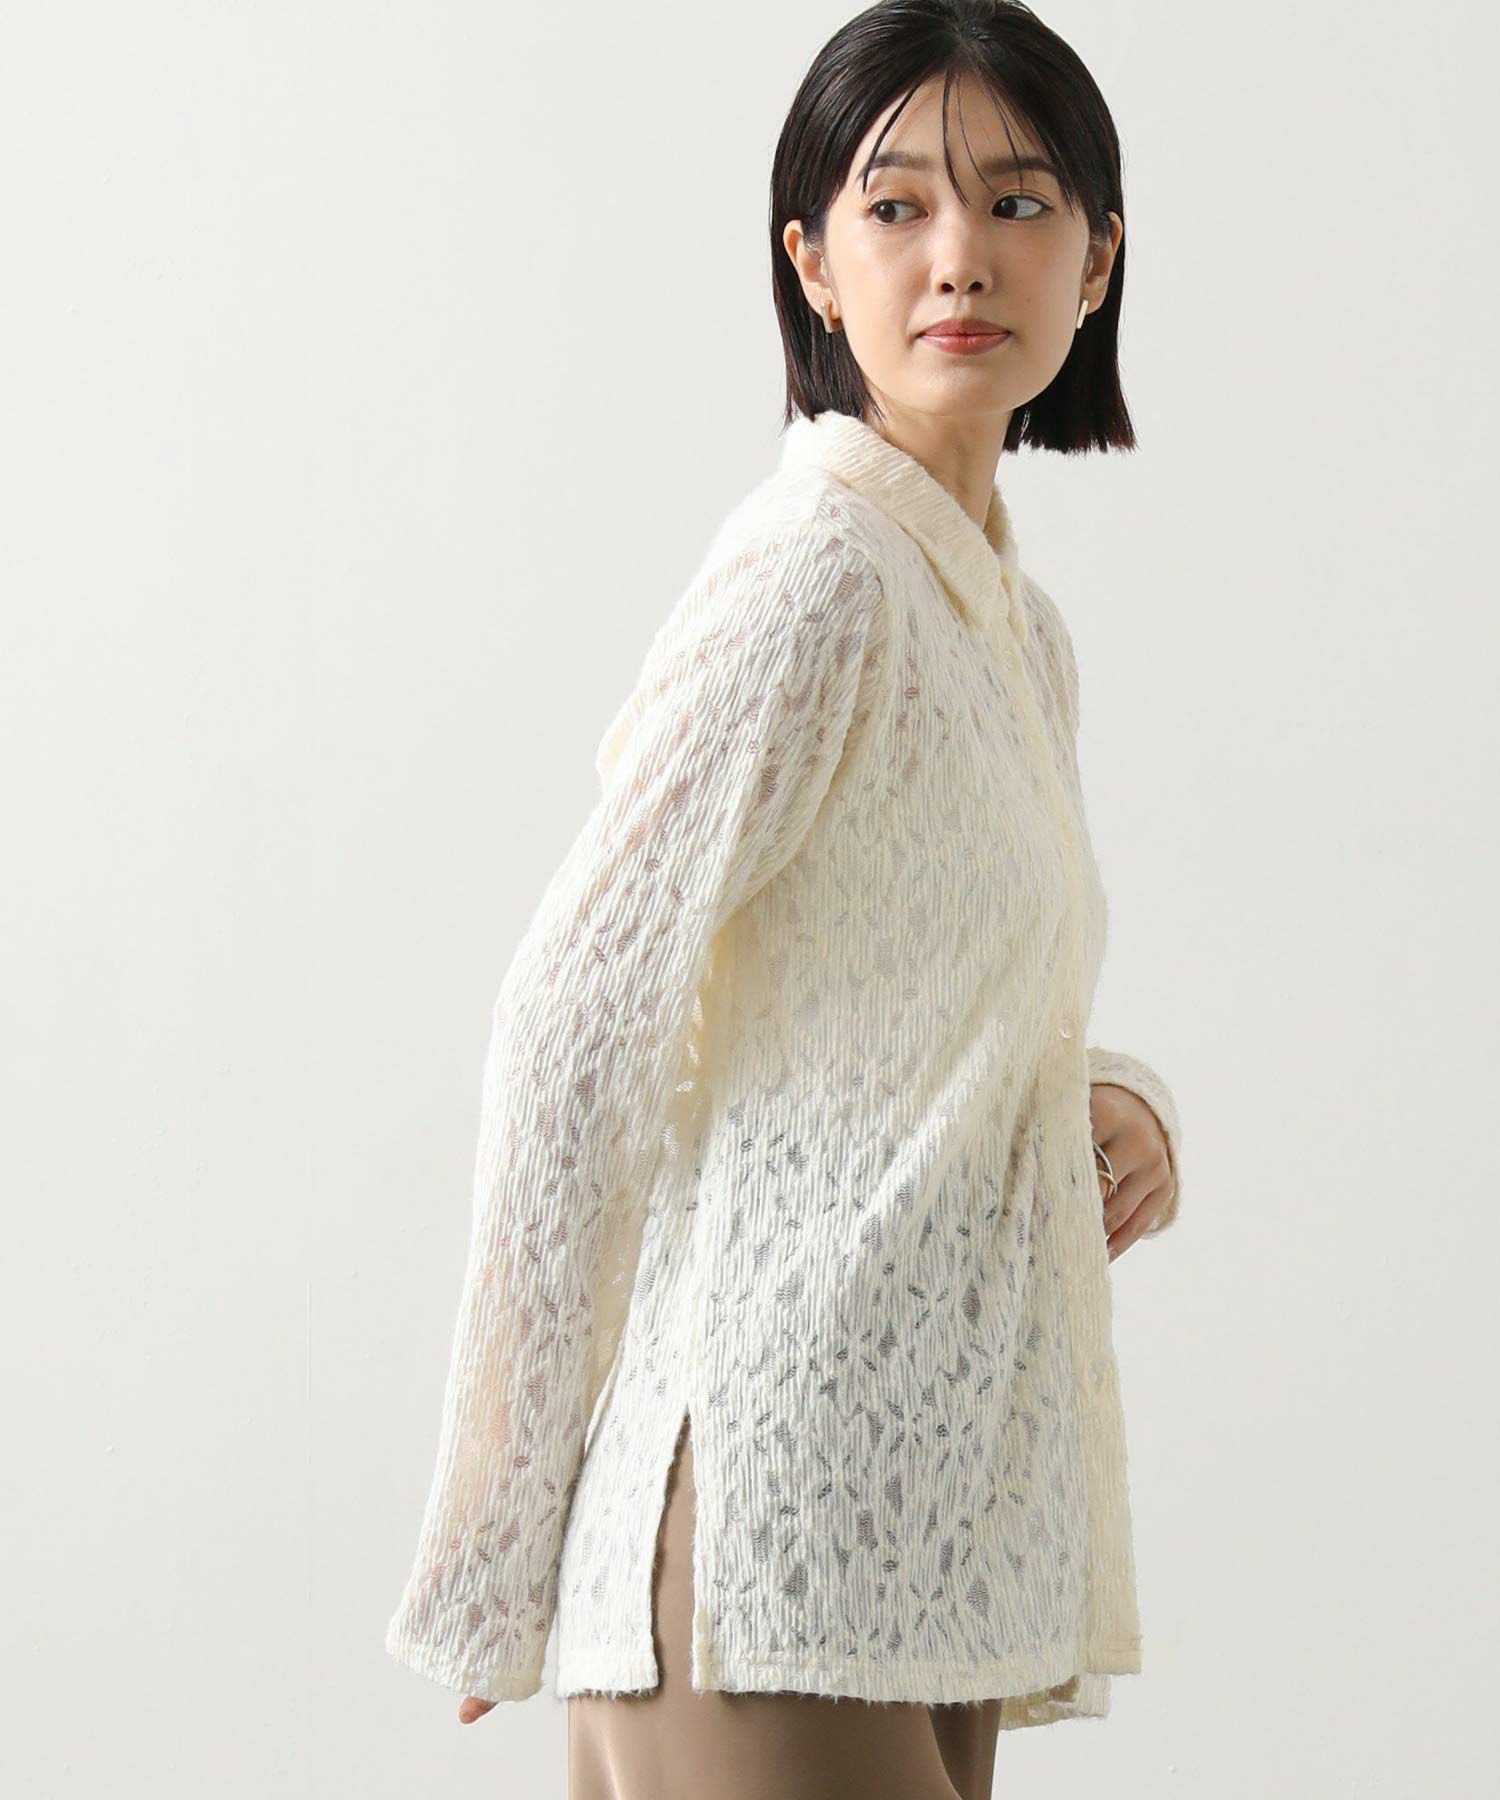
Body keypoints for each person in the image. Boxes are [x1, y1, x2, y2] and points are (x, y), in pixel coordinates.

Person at [385, 3, 1184, 1794]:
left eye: (1020, 202)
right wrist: (499, 1548)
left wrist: (1101, 1095)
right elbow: (575, 1023)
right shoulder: (817, 576)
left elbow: (905, 1001)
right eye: (896, 206)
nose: (960, 255)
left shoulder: (1011, 627)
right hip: (757, 1536)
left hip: (930, 1547)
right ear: (814, 264)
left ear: (1097, 260)